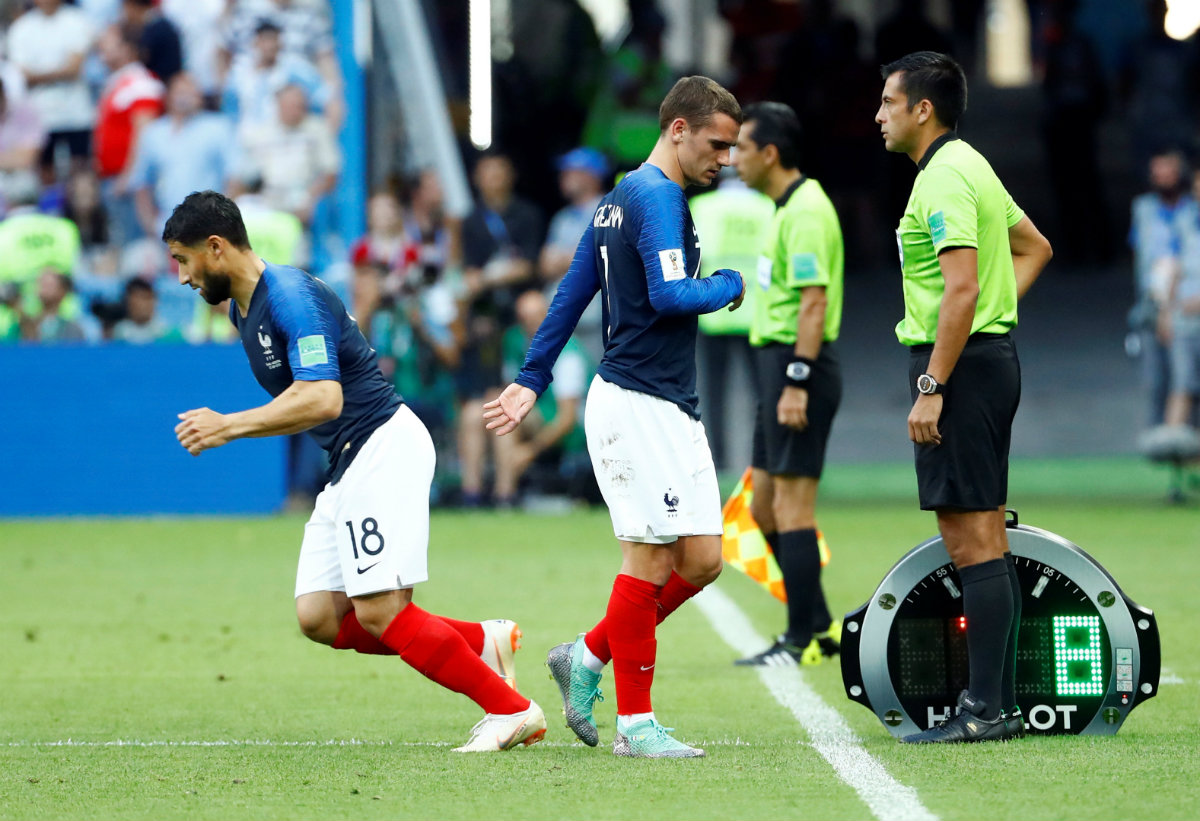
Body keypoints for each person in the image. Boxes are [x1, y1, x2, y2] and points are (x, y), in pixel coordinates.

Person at [164, 190, 545, 752]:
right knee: (319, 615)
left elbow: (324, 398)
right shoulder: (243, 310)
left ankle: (511, 710)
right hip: (348, 460)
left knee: (381, 612)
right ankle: (482, 643)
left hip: (382, 445)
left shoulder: (289, 297)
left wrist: (229, 426)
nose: (181, 276)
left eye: (183, 259)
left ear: (216, 247)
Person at [485, 76, 745, 758]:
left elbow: (572, 291)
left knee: (703, 560)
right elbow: (668, 294)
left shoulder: (619, 199)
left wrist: (531, 378)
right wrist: (731, 283)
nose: (725, 158)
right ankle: (636, 725)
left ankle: (587, 654)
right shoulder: (656, 196)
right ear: (678, 130)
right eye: (717, 144)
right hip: (635, 401)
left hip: (670, 401)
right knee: (650, 557)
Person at [875, 52, 1052, 743]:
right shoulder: (970, 164)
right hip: (981, 360)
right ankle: (995, 705)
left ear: (923, 109)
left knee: (972, 536)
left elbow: (962, 288)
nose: (878, 115)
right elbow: (1034, 248)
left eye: (889, 102)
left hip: (959, 370)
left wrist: (933, 384)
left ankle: (985, 710)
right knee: (984, 533)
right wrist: (991, 321)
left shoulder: (944, 177)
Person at [731, 101, 844, 666]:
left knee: (795, 510)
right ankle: (819, 625)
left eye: (742, 149)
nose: (733, 160)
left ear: (770, 154)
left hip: (798, 368)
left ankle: (801, 640)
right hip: (775, 368)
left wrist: (797, 380)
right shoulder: (783, 208)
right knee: (765, 509)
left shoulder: (806, 213)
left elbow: (813, 303)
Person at [1129, 149, 1190, 427]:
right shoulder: (1144, 209)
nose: (1162, 178)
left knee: (1186, 375)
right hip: (1152, 300)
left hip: (1186, 302)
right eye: (1157, 173)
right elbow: (1138, 252)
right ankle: (1157, 433)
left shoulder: (1192, 209)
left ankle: (1186, 432)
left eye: (1168, 172)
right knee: (1154, 376)